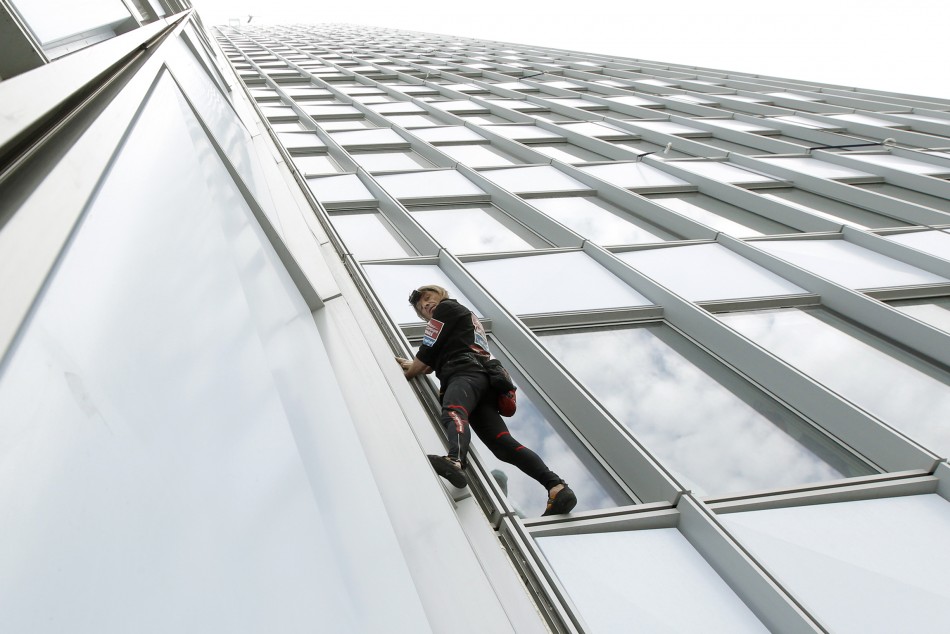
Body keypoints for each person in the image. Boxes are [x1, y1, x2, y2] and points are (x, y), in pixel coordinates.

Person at [396, 284, 577, 517]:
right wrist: (417, 365)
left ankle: (455, 461)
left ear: (441, 296)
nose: (427, 305)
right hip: (483, 380)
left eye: (429, 299)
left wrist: (406, 374)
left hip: (463, 373)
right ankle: (557, 487)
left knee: (453, 411)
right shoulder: (463, 319)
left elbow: (427, 352)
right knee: (502, 444)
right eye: (422, 307)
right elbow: (429, 363)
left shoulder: (446, 309)